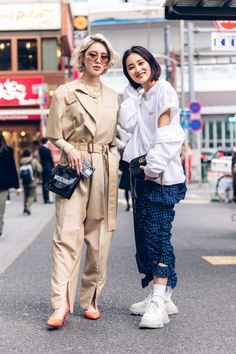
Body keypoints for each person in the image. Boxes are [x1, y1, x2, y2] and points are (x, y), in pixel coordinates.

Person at [46, 33, 120, 328]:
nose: (98, 61)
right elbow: (54, 133)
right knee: (66, 236)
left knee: (100, 238)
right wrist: (68, 148)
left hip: (103, 168)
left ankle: (90, 299)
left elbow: (117, 136)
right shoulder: (65, 92)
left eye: (104, 57)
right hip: (73, 168)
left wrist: (113, 160)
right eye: (93, 55)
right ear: (82, 57)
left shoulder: (114, 96)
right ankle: (59, 304)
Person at [119, 46, 187, 329]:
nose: (137, 69)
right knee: (148, 238)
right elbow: (129, 125)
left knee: (157, 236)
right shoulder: (141, 94)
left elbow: (168, 133)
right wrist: (131, 94)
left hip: (157, 176)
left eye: (141, 62)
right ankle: (164, 295)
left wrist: (154, 167)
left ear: (151, 63)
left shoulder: (163, 90)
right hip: (142, 175)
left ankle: (159, 299)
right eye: (130, 67)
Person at [0, 132, 20, 236]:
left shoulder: (8, 151)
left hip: (2, 186)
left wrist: (17, 186)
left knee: (0, 208)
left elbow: (12, 168)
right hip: (3, 185)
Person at [20, 148, 42, 215]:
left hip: (24, 181)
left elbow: (19, 171)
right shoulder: (33, 160)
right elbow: (40, 169)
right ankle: (28, 206)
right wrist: (38, 176)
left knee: (26, 195)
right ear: (30, 154)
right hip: (32, 181)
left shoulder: (21, 161)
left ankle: (24, 208)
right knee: (31, 195)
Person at [38, 137, 54, 204]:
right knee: (48, 183)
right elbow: (50, 159)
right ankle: (48, 199)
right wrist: (52, 166)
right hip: (48, 168)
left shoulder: (40, 149)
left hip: (42, 168)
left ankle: (45, 199)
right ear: (46, 142)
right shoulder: (47, 150)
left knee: (44, 184)